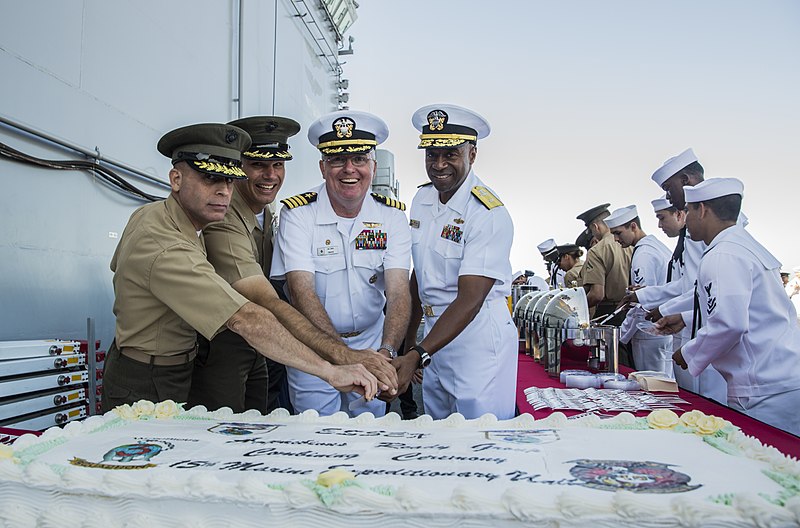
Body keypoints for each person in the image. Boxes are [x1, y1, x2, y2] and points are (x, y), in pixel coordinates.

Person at [102, 123, 379, 412]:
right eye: (211, 179)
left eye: (230, 181)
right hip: (146, 378)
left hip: (178, 367)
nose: (224, 192)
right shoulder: (165, 243)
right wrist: (330, 369)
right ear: (176, 179)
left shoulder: (173, 218)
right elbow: (246, 316)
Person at [271, 110, 411, 417]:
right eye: (337, 159)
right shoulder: (298, 215)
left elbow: (399, 292)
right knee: (316, 437)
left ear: (373, 165)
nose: (349, 169)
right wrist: (344, 355)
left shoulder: (392, 217)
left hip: (373, 345)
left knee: (368, 439)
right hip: (314, 350)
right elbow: (300, 292)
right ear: (323, 167)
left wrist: (386, 354)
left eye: (360, 159)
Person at [656, 178, 800, 435]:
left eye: (687, 210)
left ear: (702, 210)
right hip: (781, 379)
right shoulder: (743, 245)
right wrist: (687, 319)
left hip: (764, 389)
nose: (685, 219)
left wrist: (688, 353)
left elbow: (730, 323)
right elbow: (747, 309)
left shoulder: (723, 253)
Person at [403, 103, 517, 420]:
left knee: (482, 436)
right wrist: (410, 339)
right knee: (440, 433)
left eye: (450, 154)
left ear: (472, 154)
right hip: (434, 337)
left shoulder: (488, 212)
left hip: (477, 340)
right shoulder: (421, 200)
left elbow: (470, 300)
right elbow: (419, 274)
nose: (439, 164)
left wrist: (417, 353)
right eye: (431, 154)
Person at [619, 148, 727, 402]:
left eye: (669, 188)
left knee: (706, 409)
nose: (668, 196)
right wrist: (650, 298)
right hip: (692, 331)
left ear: (687, 180)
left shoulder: (709, 226)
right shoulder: (693, 228)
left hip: (703, 337)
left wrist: (667, 309)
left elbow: (699, 288)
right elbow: (687, 283)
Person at [605, 205, 673, 376]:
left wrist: (621, 335)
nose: (615, 239)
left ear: (633, 226)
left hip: (648, 333)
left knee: (651, 384)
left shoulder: (644, 255)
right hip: (662, 329)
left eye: (618, 233)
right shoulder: (656, 246)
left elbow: (641, 303)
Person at [575, 203, 633, 323]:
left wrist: (576, 309)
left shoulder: (597, 251)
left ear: (595, 227)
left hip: (609, 312)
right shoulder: (630, 245)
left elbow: (597, 295)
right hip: (631, 310)